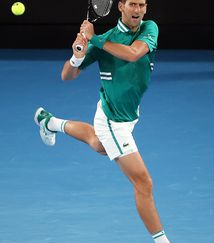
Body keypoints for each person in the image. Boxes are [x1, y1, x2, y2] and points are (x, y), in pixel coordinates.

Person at [33, 0, 170, 242]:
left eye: (142, 5)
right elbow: (67, 75)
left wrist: (94, 40)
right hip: (111, 119)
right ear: (120, 6)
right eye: (132, 4)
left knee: (99, 145)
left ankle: (50, 122)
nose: (138, 10)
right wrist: (77, 56)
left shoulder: (150, 28)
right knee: (143, 183)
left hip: (129, 114)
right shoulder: (103, 40)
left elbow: (133, 54)